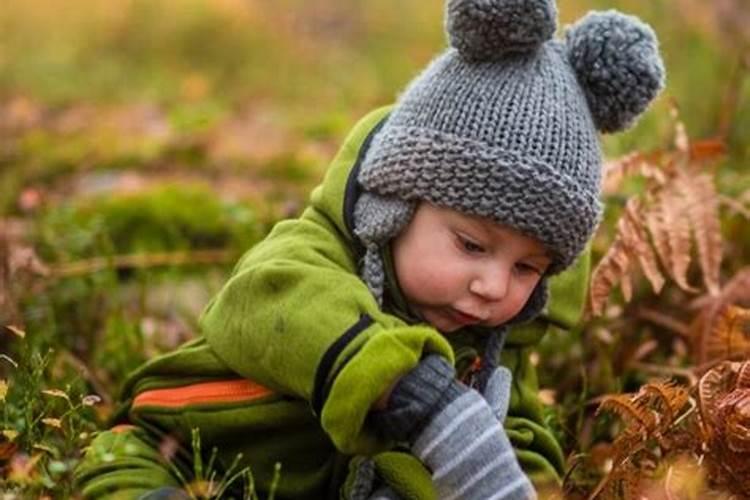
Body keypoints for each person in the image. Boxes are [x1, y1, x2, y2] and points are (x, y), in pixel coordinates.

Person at [75, 0, 665, 498]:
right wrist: (413, 393)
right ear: (395, 205)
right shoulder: (311, 256)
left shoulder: (493, 344)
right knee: (125, 473)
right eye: (469, 245)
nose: (493, 286)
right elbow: (263, 303)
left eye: (526, 268)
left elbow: (517, 440)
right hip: (183, 451)